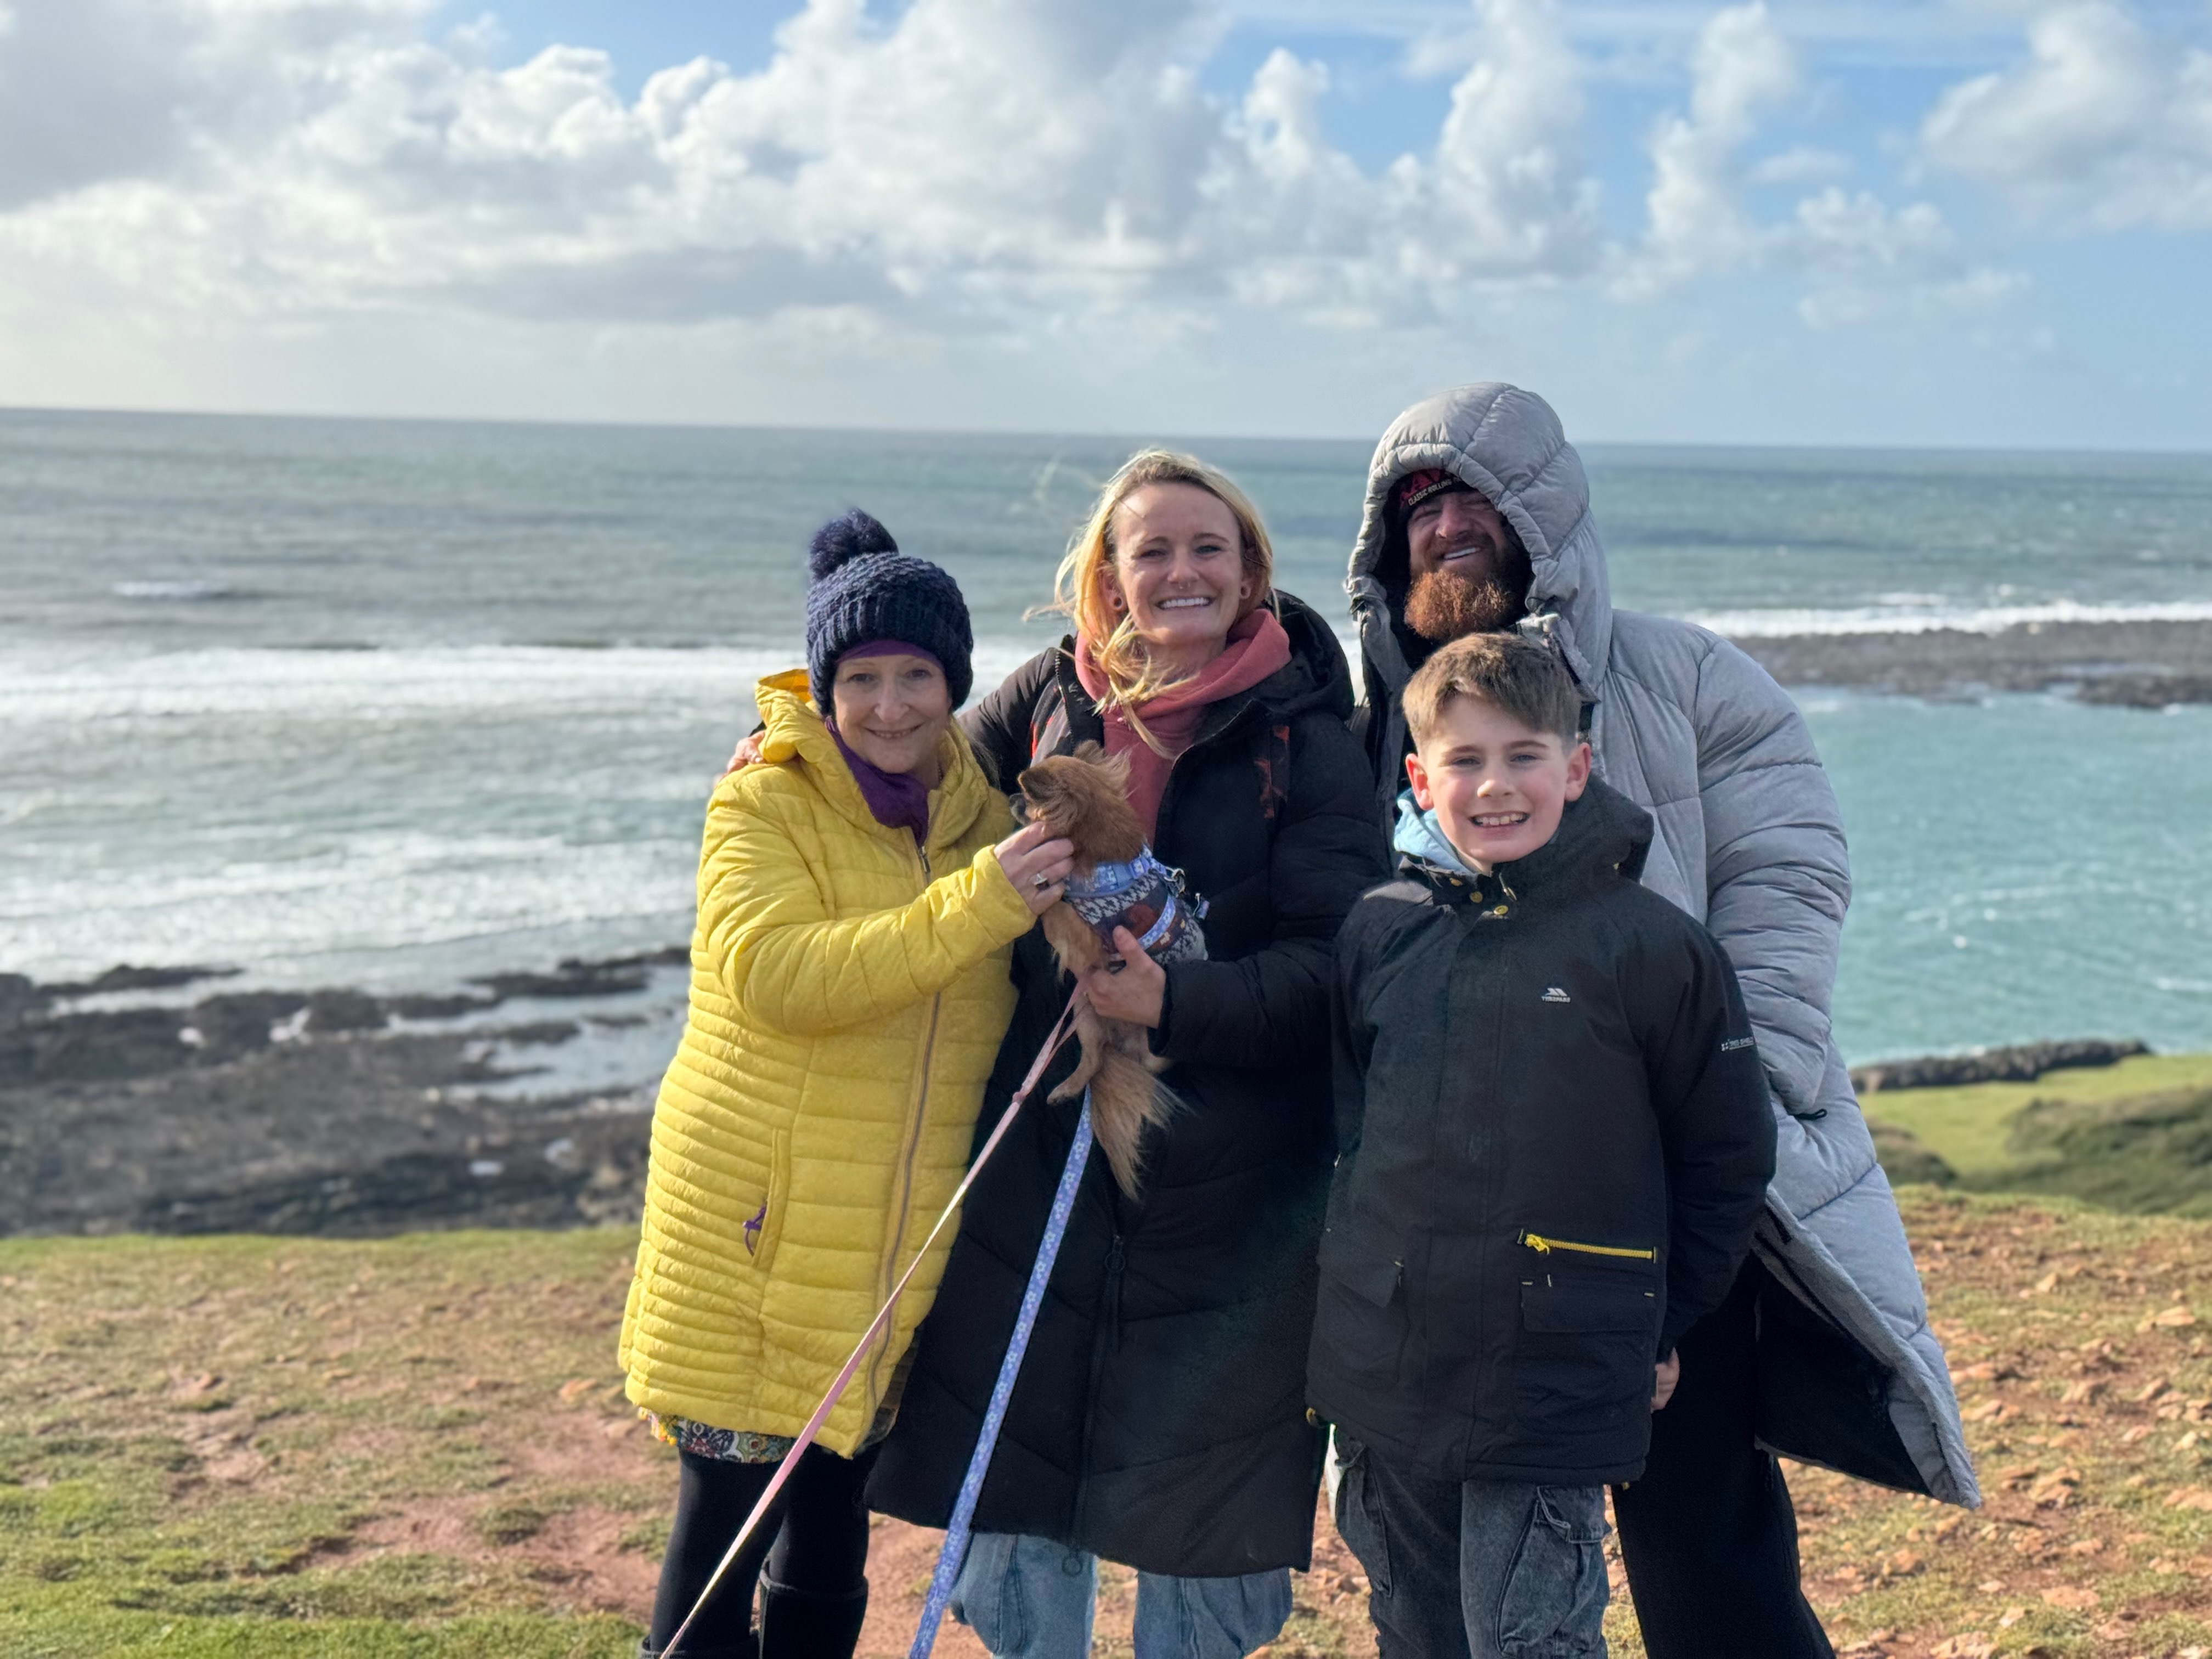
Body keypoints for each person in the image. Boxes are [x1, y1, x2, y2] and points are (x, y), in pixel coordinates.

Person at [1345, 384, 1978, 1657]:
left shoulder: (1686, 677)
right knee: (1450, 1577)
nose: (1448, 525)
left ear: (1545, 517)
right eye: (1419, 507)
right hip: (1452, 1237)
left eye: (1476, 497)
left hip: (1663, 1197)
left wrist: (1745, 1073)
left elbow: (1788, 868)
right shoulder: (1375, 726)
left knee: (1705, 1549)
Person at [866, 450, 1389, 1657]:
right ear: (1108, 576)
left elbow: (1337, 969)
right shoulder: (1046, 700)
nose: (1181, 571)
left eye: (1209, 548)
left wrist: (1180, 1002)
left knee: (1202, 1550)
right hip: (1042, 1156)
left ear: (1250, 571)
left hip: (1233, 1193)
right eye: (1151, 549)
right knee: (1017, 1524)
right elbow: (903, 774)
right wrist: (784, 742)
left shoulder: (1309, 738)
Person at [620, 511, 1076, 1659]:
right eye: (860, 679)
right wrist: (981, 901)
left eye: (915, 675)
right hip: (759, 1236)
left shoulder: (982, 815)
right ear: (824, 689)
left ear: (954, 682)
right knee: (722, 1533)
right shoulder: (764, 801)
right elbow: (777, 975)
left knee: (832, 1530)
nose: (889, 706)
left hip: (887, 1253)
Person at [1313, 630, 1776, 1657]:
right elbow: (1352, 1133)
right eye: (1466, 760)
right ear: (1419, 779)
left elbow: (1727, 1162)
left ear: (1576, 768)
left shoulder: (1656, 948)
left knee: (1532, 1640)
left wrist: (1661, 1324)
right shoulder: (1379, 931)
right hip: (1387, 1365)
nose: (1495, 785)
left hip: (1553, 1370)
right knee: (1416, 1634)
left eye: (1524, 755)